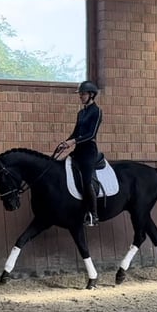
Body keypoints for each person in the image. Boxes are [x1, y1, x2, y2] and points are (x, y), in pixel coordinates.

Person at [57, 81, 103, 226]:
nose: (80, 96)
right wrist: (65, 142)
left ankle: (94, 215)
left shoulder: (97, 111)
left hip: (89, 152)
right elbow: (76, 132)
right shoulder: (81, 113)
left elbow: (91, 134)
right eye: (80, 94)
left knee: (87, 180)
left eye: (83, 94)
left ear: (91, 95)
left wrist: (73, 142)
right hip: (78, 151)